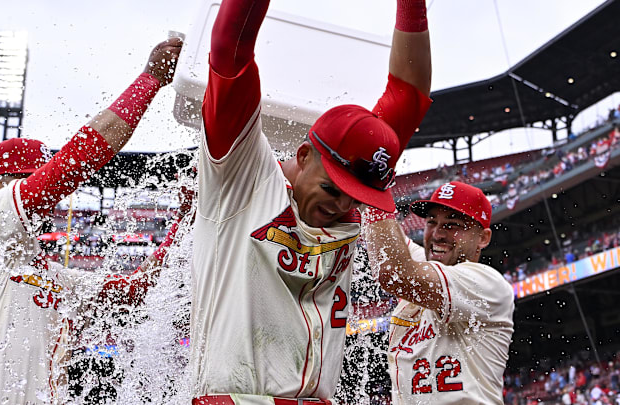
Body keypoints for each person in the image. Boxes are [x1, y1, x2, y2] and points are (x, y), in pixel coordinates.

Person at [191, 0, 432, 403]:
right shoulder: (240, 175)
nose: (341, 205)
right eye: (332, 188)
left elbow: (409, 90)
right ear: (303, 157)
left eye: (354, 197)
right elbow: (230, 50)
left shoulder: (358, 174)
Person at [0, 38, 183, 404]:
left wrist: (184, 219)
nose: (45, 196)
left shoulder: (48, 274)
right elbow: (75, 161)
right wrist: (150, 80)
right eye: (28, 179)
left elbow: (135, 292)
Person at [362, 181, 515, 404]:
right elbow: (381, 234)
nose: (437, 234)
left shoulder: (486, 283)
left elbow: (394, 272)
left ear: (483, 238)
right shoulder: (425, 267)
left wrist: (375, 188)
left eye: (452, 225)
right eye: (432, 222)